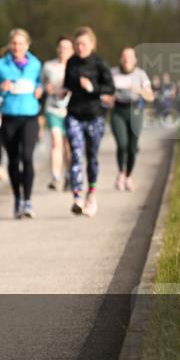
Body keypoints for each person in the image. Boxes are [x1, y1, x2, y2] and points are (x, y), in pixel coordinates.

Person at [0, 29, 43, 219]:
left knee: (27, 156)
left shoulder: (35, 64)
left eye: (20, 43)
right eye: (14, 44)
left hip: (29, 116)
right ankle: (17, 198)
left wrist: (39, 89)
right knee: (13, 159)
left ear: (27, 45)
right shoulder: (0, 65)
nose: (17, 47)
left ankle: (28, 201)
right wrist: (0, 88)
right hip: (9, 116)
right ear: (10, 45)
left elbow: (39, 83)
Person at [63, 26, 114, 217]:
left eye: (83, 43)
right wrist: (63, 91)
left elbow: (110, 88)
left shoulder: (100, 64)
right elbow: (67, 84)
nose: (79, 47)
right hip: (74, 114)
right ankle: (77, 196)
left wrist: (92, 87)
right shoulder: (71, 62)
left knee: (91, 157)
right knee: (76, 153)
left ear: (92, 44)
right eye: (76, 44)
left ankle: (91, 195)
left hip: (94, 116)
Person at [111, 47, 154, 192]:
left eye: (130, 57)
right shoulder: (113, 73)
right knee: (122, 144)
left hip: (135, 111)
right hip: (118, 111)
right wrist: (108, 97)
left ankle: (128, 176)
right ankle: (121, 173)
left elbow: (151, 96)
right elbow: (103, 93)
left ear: (135, 60)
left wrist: (139, 90)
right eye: (124, 56)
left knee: (132, 148)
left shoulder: (141, 74)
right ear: (120, 59)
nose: (126, 59)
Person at [41, 37, 74, 191]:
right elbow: (41, 83)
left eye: (67, 47)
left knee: (68, 146)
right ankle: (55, 177)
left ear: (72, 50)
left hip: (71, 110)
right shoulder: (48, 66)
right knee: (56, 141)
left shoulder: (76, 66)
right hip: (53, 109)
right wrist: (46, 87)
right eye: (61, 47)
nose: (63, 50)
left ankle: (69, 175)